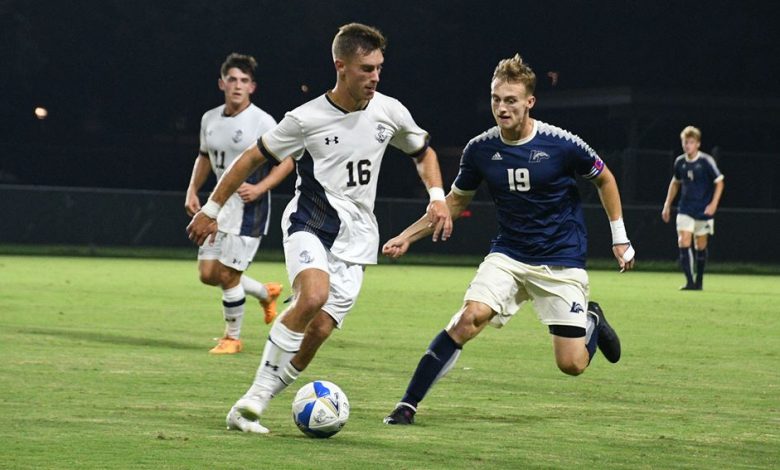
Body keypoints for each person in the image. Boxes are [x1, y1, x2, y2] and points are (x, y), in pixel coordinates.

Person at [186, 23, 452, 433]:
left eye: (379, 67)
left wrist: (436, 195)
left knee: (320, 330)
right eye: (366, 68)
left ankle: (250, 406)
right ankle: (255, 397)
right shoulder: (305, 118)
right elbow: (250, 160)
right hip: (309, 221)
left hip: (358, 237)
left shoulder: (390, 110)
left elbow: (423, 151)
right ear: (340, 66)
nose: (375, 77)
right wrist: (212, 207)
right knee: (312, 296)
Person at [381, 54, 635, 425]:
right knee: (468, 319)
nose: (502, 107)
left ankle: (592, 319)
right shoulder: (480, 149)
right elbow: (454, 202)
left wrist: (620, 237)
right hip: (509, 255)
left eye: (511, 100)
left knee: (572, 364)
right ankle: (407, 405)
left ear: (529, 102)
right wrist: (407, 236)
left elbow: (604, 178)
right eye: (496, 99)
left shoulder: (561, 144)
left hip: (560, 259)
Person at [185, 53, 294, 355]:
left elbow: (287, 161)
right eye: (232, 79)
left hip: (249, 207)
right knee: (209, 274)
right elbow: (204, 157)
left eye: (244, 81)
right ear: (221, 83)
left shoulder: (262, 121)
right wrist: (193, 189)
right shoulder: (209, 118)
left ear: (252, 87)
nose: (237, 85)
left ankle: (232, 337)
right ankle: (264, 292)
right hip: (217, 205)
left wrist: (260, 188)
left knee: (229, 275)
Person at [661, 126, 724, 290]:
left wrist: (714, 204)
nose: (687, 145)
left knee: (700, 246)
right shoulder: (680, 162)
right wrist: (667, 204)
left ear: (697, 144)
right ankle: (689, 282)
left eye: (691, 142)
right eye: (685, 142)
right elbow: (675, 183)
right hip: (685, 209)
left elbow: (719, 182)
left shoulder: (706, 161)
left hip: (703, 210)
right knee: (683, 240)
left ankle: (699, 281)